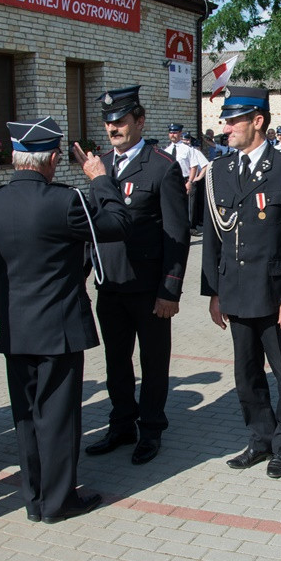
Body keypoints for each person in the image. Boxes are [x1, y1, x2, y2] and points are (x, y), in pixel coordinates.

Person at [0, 116, 130, 523]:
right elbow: (117, 225)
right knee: (58, 418)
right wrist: (99, 179)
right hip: (60, 328)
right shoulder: (65, 201)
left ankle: (34, 498)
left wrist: (6, 318)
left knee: (25, 418)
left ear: (15, 157)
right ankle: (59, 501)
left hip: (15, 327)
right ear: (53, 159)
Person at [201, 87, 281, 478]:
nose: (225, 128)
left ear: (258, 121)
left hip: (275, 291)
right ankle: (260, 438)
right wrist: (213, 291)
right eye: (226, 121)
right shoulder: (219, 171)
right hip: (235, 290)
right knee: (246, 373)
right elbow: (213, 237)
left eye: (233, 121)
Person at [85, 87, 190, 465]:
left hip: (148, 289)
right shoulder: (100, 167)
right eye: (109, 122)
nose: (113, 128)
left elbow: (177, 235)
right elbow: (95, 226)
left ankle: (151, 429)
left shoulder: (161, 165)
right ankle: (121, 424)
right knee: (116, 361)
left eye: (121, 121)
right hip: (111, 285)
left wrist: (170, 290)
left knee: (153, 361)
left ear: (139, 121)